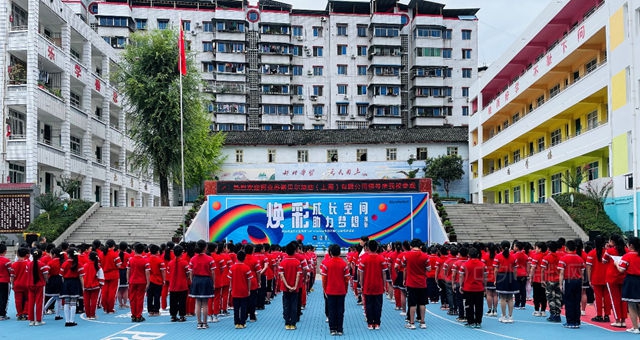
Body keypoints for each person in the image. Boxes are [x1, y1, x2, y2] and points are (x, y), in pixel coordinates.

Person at [401, 238, 430, 329]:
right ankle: (422, 322)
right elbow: (429, 269)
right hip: (422, 282)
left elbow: (403, 264)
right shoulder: (425, 256)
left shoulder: (407, 255)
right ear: (421, 246)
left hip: (411, 283)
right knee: (422, 303)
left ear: (411, 246)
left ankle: (412, 323)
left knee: (412, 303)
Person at [358, 240, 387, 330]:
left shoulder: (364, 259)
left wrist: (361, 284)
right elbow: (384, 273)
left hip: (367, 285)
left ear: (368, 248)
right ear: (377, 248)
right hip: (378, 285)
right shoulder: (381, 258)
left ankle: (370, 323)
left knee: (369, 305)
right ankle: (377, 323)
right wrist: (384, 284)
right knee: (378, 305)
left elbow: (361, 273)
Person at [321, 244, 349, 336]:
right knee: (340, 310)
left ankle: (332, 329)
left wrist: (324, 289)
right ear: (340, 252)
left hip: (330, 290)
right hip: (341, 290)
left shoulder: (326, 264)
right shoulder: (344, 264)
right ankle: (340, 329)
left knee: (332, 310)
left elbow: (324, 279)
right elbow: (346, 279)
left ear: (330, 252)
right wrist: (346, 289)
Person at [189, 240, 215, 330]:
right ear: (205, 247)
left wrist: (193, 281)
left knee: (198, 302)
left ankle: (199, 323)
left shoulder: (193, 259)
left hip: (196, 280)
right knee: (205, 303)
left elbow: (191, 272)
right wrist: (213, 282)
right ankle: (205, 323)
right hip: (206, 280)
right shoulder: (210, 259)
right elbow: (212, 272)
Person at [558, 240, 585, 329]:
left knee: (569, 301)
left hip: (569, 281)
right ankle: (577, 321)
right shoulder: (579, 258)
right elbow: (582, 273)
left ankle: (570, 321)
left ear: (566, 248)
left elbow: (561, 273)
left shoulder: (564, 258)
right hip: (578, 281)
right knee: (577, 302)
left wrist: (560, 284)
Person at [603, 234, 628, 327]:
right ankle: (623, 320)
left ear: (612, 242)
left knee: (615, 299)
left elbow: (604, 261)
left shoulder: (609, 251)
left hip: (612, 277)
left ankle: (617, 320)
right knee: (624, 299)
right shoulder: (627, 251)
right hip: (623, 276)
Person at [617, 236, 640, 334]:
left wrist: (616, 264)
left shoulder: (628, 256)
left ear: (630, 245)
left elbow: (621, 270)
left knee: (631, 305)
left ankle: (635, 327)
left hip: (631, 280)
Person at [459, 247, 487, 328]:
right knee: (479, 306)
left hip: (468, 288)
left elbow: (461, 276)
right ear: (478, 255)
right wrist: (485, 286)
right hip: (479, 288)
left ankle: (470, 321)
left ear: (468, 255)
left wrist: (461, 285)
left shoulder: (464, 265)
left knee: (468, 305)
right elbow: (485, 277)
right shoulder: (483, 265)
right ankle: (478, 322)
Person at [586, 235, 611, 322]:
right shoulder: (608, 252)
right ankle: (607, 315)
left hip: (596, 277)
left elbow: (588, 268)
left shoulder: (591, 253)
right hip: (607, 277)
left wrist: (589, 279)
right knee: (607, 297)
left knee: (598, 297)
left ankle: (599, 315)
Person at [279, 242, 302, 330]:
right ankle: (293, 323)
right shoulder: (297, 262)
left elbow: (282, 276)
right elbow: (298, 275)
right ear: (294, 251)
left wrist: (287, 286)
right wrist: (294, 286)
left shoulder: (283, 262)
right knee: (294, 305)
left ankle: (287, 323)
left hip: (285, 288)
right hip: (295, 288)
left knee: (286, 305)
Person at [493, 240, 517, 323]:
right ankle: (510, 317)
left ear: (501, 247)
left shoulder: (498, 256)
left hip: (501, 276)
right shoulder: (513, 256)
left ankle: (503, 316)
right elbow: (515, 269)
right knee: (510, 298)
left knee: (502, 298)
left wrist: (495, 279)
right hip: (511, 277)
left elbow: (496, 270)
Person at [228, 250, 253, 329]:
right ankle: (242, 322)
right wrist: (249, 290)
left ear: (236, 257)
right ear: (244, 258)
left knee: (236, 308)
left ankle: (236, 323)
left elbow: (230, 279)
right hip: (244, 290)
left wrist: (231, 288)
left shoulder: (232, 268)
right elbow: (249, 280)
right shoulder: (247, 268)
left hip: (235, 290)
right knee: (243, 307)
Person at [60, 247, 83, 327]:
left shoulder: (65, 263)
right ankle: (72, 320)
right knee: (73, 302)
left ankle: (67, 321)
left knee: (66, 302)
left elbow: (61, 276)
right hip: (75, 283)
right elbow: (81, 277)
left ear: (68, 254)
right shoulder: (78, 264)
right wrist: (83, 287)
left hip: (66, 282)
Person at [127, 243, 150, 323]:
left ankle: (133, 315)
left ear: (134, 250)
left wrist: (128, 280)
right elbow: (147, 272)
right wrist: (148, 282)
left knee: (132, 298)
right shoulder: (145, 260)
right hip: (141, 281)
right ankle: (138, 315)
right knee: (140, 298)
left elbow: (128, 270)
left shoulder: (130, 260)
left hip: (132, 281)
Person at [26, 249, 49, 326]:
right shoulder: (42, 265)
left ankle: (31, 320)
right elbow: (45, 276)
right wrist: (46, 281)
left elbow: (27, 273)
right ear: (40, 256)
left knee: (31, 302)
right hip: (39, 285)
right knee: (39, 302)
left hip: (30, 284)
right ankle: (38, 319)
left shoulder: (28, 264)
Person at [541, 241, 562, 323]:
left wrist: (542, 280)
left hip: (550, 279)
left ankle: (553, 314)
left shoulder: (546, 257)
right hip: (558, 279)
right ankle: (558, 314)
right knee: (558, 297)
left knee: (550, 297)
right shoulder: (560, 256)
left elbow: (542, 269)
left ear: (548, 248)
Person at [167, 245, 189, 322]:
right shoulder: (184, 262)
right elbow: (187, 273)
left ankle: (173, 316)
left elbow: (169, 272)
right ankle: (182, 316)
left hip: (173, 285)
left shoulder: (170, 263)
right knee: (182, 301)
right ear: (181, 253)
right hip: (182, 285)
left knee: (173, 301)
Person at [99, 239, 122, 314]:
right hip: (114, 274)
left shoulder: (101, 254)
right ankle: (110, 308)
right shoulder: (114, 254)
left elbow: (99, 264)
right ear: (113, 246)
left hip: (104, 275)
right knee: (112, 292)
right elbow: (119, 265)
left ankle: (105, 307)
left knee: (104, 292)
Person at [81, 251, 104, 320]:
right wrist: (101, 284)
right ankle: (92, 314)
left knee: (86, 301)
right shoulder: (98, 267)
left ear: (89, 257)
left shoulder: (84, 266)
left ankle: (88, 315)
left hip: (85, 285)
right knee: (94, 301)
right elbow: (101, 277)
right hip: (95, 286)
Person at [10, 247, 31, 321]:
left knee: (18, 300)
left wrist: (12, 284)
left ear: (17, 254)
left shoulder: (14, 265)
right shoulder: (29, 263)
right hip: (26, 284)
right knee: (28, 299)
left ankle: (19, 313)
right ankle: (25, 313)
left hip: (17, 284)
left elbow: (12, 276)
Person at [529, 241, 548, 317]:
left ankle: (537, 310)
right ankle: (543, 310)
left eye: (536, 248)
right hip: (545, 278)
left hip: (537, 278)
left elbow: (533, 268)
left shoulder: (536, 256)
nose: (535, 249)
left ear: (540, 249)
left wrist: (531, 277)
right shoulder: (547, 255)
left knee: (536, 295)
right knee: (544, 295)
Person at [147, 244, 166, 317]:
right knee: (157, 296)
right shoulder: (159, 260)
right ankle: (156, 311)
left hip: (149, 280)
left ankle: (150, 310)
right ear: (157, 251)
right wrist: (164, 280)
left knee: (149, 296)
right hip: (158, 280)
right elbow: (163, 271)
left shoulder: (147, 259)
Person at [116, 242, 130, 309]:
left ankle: (120, 304)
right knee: (125, 289)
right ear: (126, 248)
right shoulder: (128, 255)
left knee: (119, 289)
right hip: (125, 272)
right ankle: (124, 304)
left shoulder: (116, 254)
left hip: (118, 272)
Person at [0, 243, 12, 321]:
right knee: (4, 298)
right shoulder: (7, 261)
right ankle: (2, 314)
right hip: (4, 281)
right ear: (5, 251)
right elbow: (10, 271)